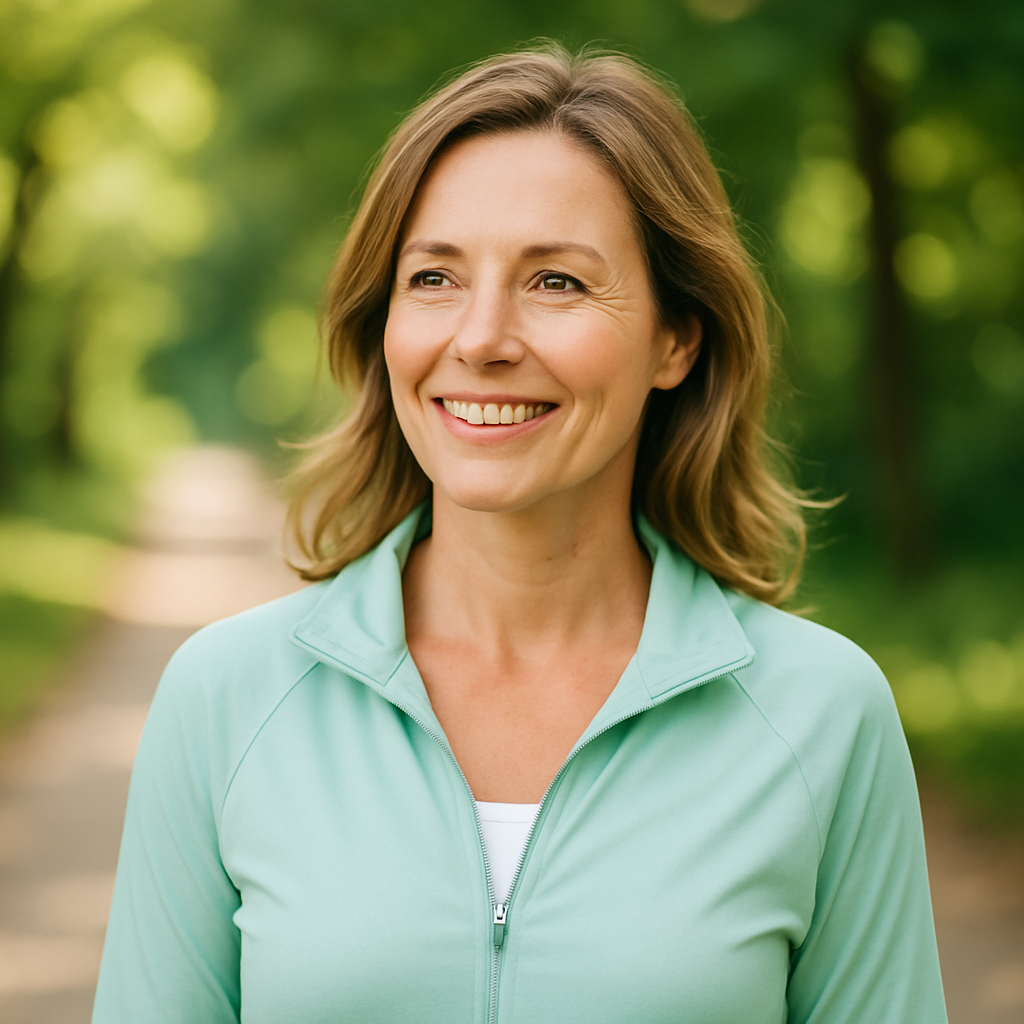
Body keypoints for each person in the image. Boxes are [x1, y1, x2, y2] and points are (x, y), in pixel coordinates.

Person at [92, 44, 947, 1024]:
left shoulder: (822, 717)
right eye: (434, 277)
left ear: (676, 338)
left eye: (557, 283)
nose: (482, 338)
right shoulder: (224, 700)